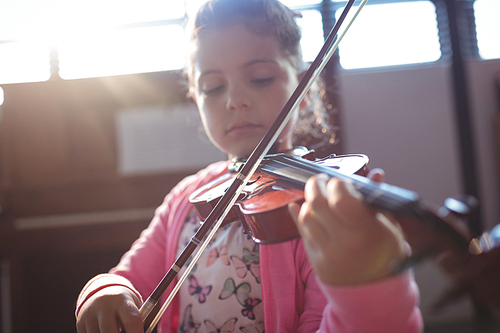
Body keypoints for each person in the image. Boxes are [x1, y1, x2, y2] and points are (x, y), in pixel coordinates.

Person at [75, 0, 423, 332]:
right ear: (196, 98)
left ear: (303, 88)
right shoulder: (184, 199)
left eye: (260, 79)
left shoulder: (315, 209)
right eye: (213, 87)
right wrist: (103, 291)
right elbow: (126, 279)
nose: (235, 100)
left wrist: (369, 286)